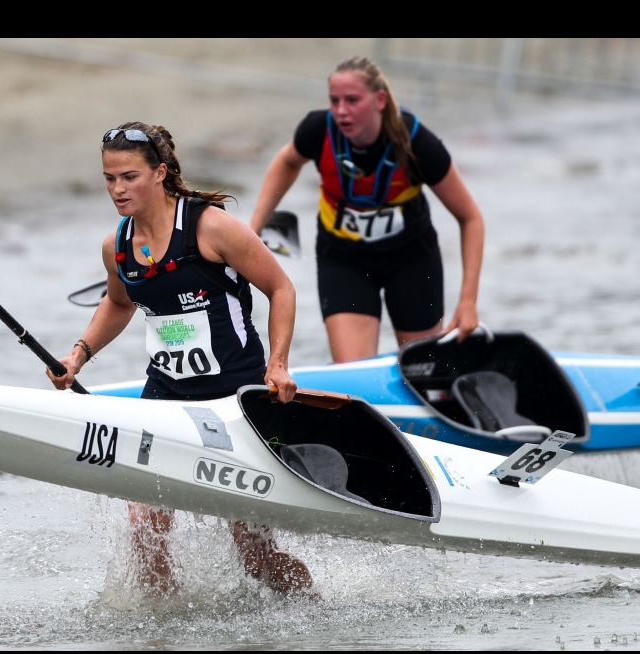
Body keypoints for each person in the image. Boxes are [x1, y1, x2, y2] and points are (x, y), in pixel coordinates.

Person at [47, 121, 313, 597]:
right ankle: (161, 631)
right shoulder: (117, 246)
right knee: (146, 534)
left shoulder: (211, 228)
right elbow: (119, 303)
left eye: (129, 176)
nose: (117, 189)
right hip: (165, 395)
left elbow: (281, 288)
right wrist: (78, 356)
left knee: (254, 555)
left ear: (160, 173)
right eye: (109, 178)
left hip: (235, 398)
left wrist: (278, 364)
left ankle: (310, 612)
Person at [250, 56, 485, 363]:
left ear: (380, 100)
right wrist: (253, 231)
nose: (341, 110)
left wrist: (468, 302)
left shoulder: (418, 145)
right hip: (345, 261)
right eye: (334, 101)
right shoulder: (318, 130)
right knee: (352, 373)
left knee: (422, 370)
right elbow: (287, 161)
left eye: (352, 100)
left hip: (411, 261)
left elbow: (471, 219)